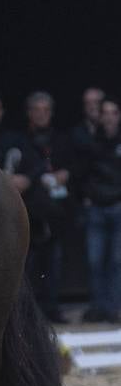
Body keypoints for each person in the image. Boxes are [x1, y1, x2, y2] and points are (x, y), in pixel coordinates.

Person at [17, 91, 76, 323]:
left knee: (53, 264)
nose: (41, 115)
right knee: (27, 267)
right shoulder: (20, 140)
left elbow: (74, 166)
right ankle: (28, 312)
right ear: (29, 113)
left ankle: (52, 308)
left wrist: (67, 173)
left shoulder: (62, 140)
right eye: (36, 110)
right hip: (29, 212)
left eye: (45, 110)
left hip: (55, 213)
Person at [81, 97, 121, 322]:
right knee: (95, 261)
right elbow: (83, 172)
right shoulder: (91, 142)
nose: (108, 116)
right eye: (104, 112)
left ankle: (114, 308)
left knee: (117, 262)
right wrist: (87, 196)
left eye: (113, 112)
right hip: (96, 208)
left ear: (118, 116)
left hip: (118, 207)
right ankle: (98, 307)